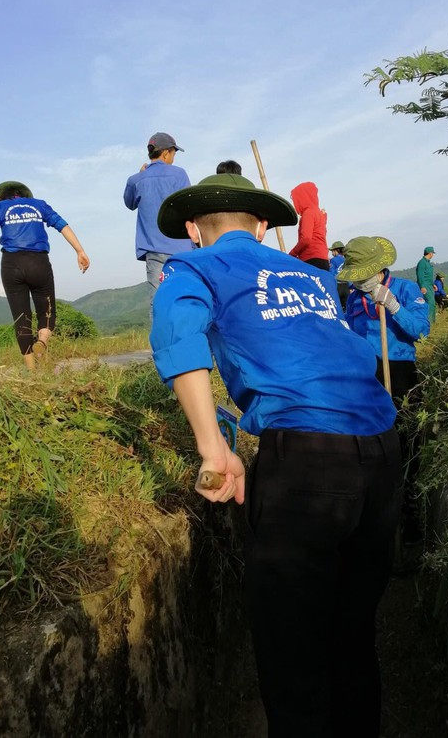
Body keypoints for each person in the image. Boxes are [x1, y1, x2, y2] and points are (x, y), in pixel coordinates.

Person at [150, 173, 402, 738]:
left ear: (193, 230)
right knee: (354, 631)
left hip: (308, 465)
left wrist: (214, 448)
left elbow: (177, 335)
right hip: (383, 446)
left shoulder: (193, 267)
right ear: (263, 227)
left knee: (292, 647)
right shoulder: (314, 276)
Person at [339, 236, 430, 545]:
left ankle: (410, 518)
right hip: (367, 376)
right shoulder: (353, 298)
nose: (359, 283)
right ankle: (374, 519)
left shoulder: (404, 289)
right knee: (370, 445)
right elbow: (351, 333)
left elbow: (421, 329)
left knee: (406, 444)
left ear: (378, 269)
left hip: (400, 372)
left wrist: (393, 306)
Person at [0, 181, 89, 371]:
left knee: (22, 318)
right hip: (39, 263)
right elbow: (63, 226)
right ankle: (42, 342)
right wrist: (80, 250)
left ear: (0, 197)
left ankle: (32, 372)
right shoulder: (39, 205)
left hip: (12, 265)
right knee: (47, 311)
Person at [123, 133, 192, 309]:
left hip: (153, 250)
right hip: (182, 248)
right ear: (166, 153)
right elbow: (188, 207)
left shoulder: (135, 180)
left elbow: (130, 204)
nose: (173, 158)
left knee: (158, 302)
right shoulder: (179, 174)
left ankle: (161, 337)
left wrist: (141, 176)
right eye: (174, 154)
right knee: (186, 297)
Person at [288, 181, 329, 270]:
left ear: (302, 198)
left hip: (311, 258)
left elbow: (306, 239)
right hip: (323, 258)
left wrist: (292, 253)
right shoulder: (318, 213)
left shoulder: (308, 213)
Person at [416, 245, 436, 323]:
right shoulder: (422, 263)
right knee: (430, 303)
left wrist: (433, 284)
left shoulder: (428, 263)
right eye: (432, 253)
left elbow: (428, 276)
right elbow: (420, 276)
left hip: (429, 285)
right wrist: (422, 286)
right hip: (425, 286)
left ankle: (432, 321)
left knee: (432, 303)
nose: (433, 255)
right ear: (429, 253)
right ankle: (429, 322)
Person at [329, 240, 349, 312]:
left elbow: (332, 274)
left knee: (338, 309)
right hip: (346, 286)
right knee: (347, 308)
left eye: (333, 251)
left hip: (338, 286)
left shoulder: (333, 260)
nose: (332, 253)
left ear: (337, 250)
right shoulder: (346, 260)